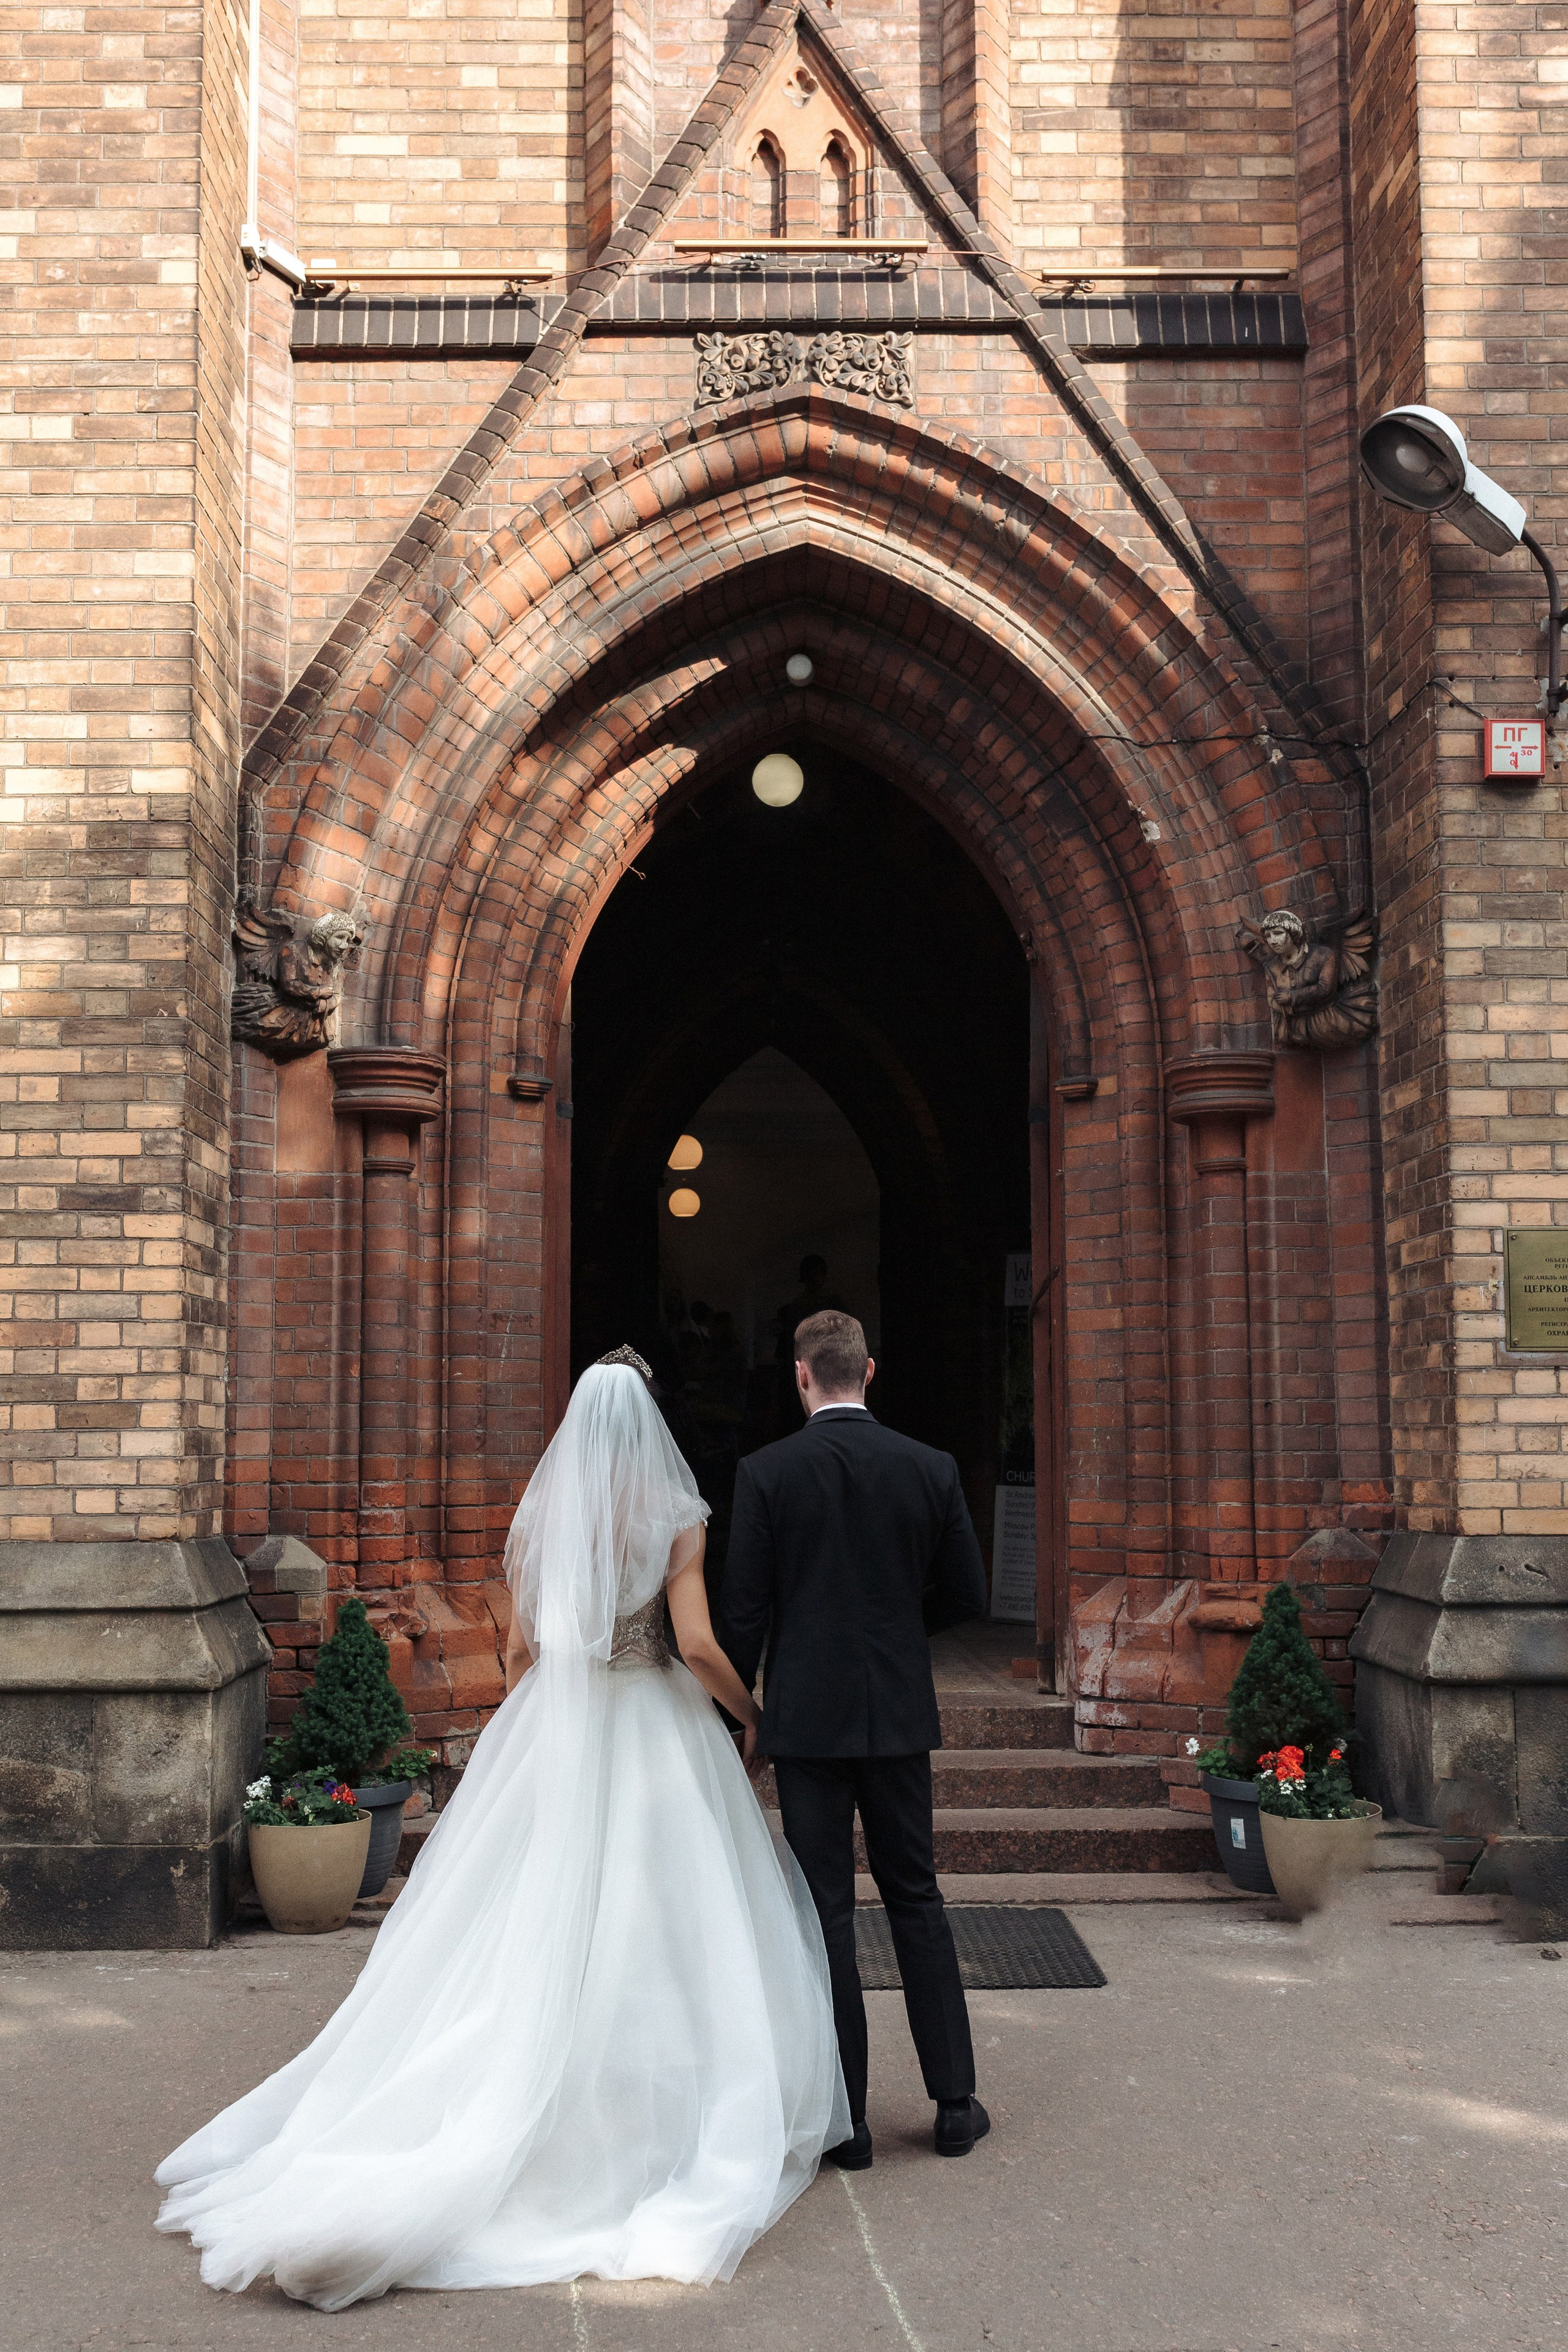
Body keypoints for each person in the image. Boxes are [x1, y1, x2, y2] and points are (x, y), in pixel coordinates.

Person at [154, 1349, 849, 2310]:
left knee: (529, 1918)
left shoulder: (546, 1517)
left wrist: (540, 1735)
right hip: (657, 1727)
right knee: (669, 1920)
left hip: (562, 1724)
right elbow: (692, 1644)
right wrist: (753, 1713)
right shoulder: (675, 1519)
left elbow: (523, 1649)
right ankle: (652, 2102)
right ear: (649, 1420)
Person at [720, 1310, 991, 2171]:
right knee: (918, 1896)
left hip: (806, 1719)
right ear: (868, 1371)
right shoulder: (929, 1467)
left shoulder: (766, 1474)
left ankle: (851, 2122)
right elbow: (966, 1594)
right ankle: (954, 2105)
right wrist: (897, 1639)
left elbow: (745, 1615)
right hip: (898, 1713)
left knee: (825, 1913)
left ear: (802, 1375)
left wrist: (742, 1712)